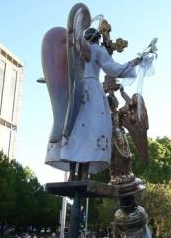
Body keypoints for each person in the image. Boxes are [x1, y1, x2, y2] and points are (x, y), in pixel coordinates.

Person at [45, 25, 139, 179]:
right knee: (91, 131)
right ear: (97, 38)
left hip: (75, 90)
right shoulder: (97, 50)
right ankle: (83, 175)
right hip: (93, 92)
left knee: (74, 130)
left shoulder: (74, 51)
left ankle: (72, 174)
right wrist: (134, 62)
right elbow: (113, 69)